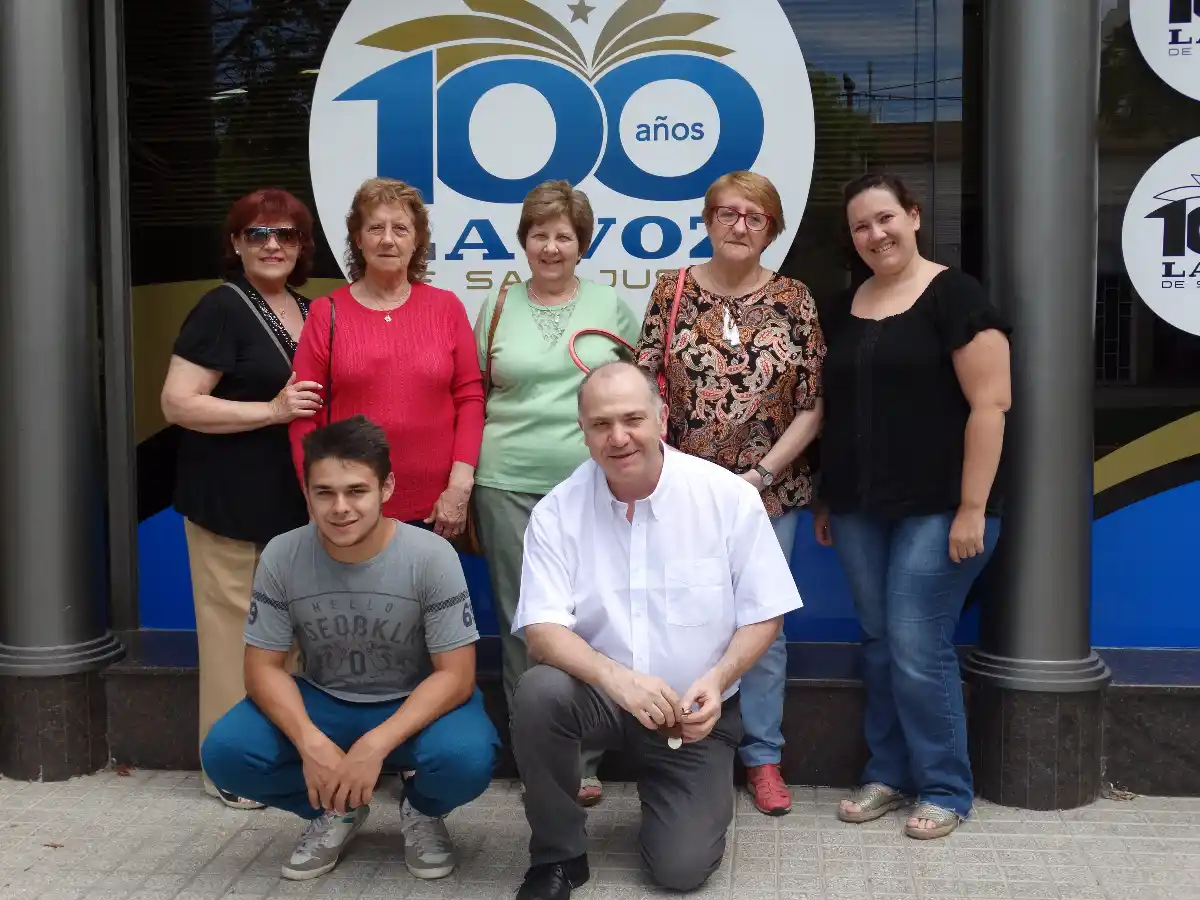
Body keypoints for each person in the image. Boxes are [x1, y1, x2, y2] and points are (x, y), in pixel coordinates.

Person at [509, 362, 803, 900]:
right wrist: (618, 680)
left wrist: (718, 678)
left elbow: (766, 613)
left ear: (662, 419)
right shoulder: (556, 511)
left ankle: (675, 791)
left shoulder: (726, 497)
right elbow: (542, 632)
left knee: (681, 870)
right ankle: (557, 854)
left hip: (693, 712)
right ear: (583, 431)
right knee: (539, 693)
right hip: (601, 696)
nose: (618, 437)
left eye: (633, 419)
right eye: (601, 424)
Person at [200, 415, 500, 881]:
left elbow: (456, 676)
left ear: (386, 487)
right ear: (306, 493)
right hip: (325, 699)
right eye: (325, 493)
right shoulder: (282, 554)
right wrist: (311, 742)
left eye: (356, 491)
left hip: (413, 700)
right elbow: (262, 669)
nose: (340, 508)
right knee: (226, 754)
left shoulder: (431, 556)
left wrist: (374, 746)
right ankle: (335, 808)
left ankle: (421, 810)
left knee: (468, 757)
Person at [813, 173, 1011, 839]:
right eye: (861, 226)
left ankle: (946, 787)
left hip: (940, 507)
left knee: (917, 643)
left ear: (915, 216)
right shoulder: (845, 306)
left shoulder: (956, 296)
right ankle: (888, 774)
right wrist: (826, 493)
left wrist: (973, 507)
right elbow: (836, 410)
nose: (875, 234)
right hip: (858, 507)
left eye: (886, 218)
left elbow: (991, 405)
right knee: (880, 642)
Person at [633, 170, 824, 815]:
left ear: (771, 229)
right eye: (727, 213)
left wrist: (760, 476)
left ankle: (763, 757)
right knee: (682, 615)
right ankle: (680, 742)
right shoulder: (672, 290)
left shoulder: (795, 299)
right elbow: (646, 390)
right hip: (683, 494)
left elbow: (813, 406)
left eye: (755, 217)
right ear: (708, 220)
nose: (740, 226)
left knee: (761, 626)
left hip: (768, 493)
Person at [473, 179, 641, 807]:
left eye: (563, 236)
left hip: (589, 484)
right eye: (539, 235)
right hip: (506, 482)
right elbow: (475, 392)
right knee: (523, 624)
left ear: (581, 243)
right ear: (524, 241)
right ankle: (539, 760)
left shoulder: (610, 305)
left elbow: (636, 390)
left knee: (589, 619)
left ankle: (586, 760)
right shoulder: (496, 306)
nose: (550, 247)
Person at [160, 187, 321, 810]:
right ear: (236, 243)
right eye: (258, 234)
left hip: (292, 504)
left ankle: (281, 756)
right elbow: (178, 403)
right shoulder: (221, 307)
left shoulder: (309, 309)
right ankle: (229, 768)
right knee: (235, 638)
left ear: (302, 246)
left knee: (291, 639)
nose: (273, 245)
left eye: (286, 234)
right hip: (227, 503)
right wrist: (271, 411)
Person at [289, 177, 483, 540]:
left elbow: (470, 399)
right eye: (376, 228)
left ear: (417, 240)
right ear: (358, 239)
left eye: (400, 229)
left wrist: (460, 485)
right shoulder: (326, 313)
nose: (388, 239)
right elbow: (303, 414)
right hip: (351, 509)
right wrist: (315, 494)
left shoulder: (446, 308)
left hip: (436, 510)